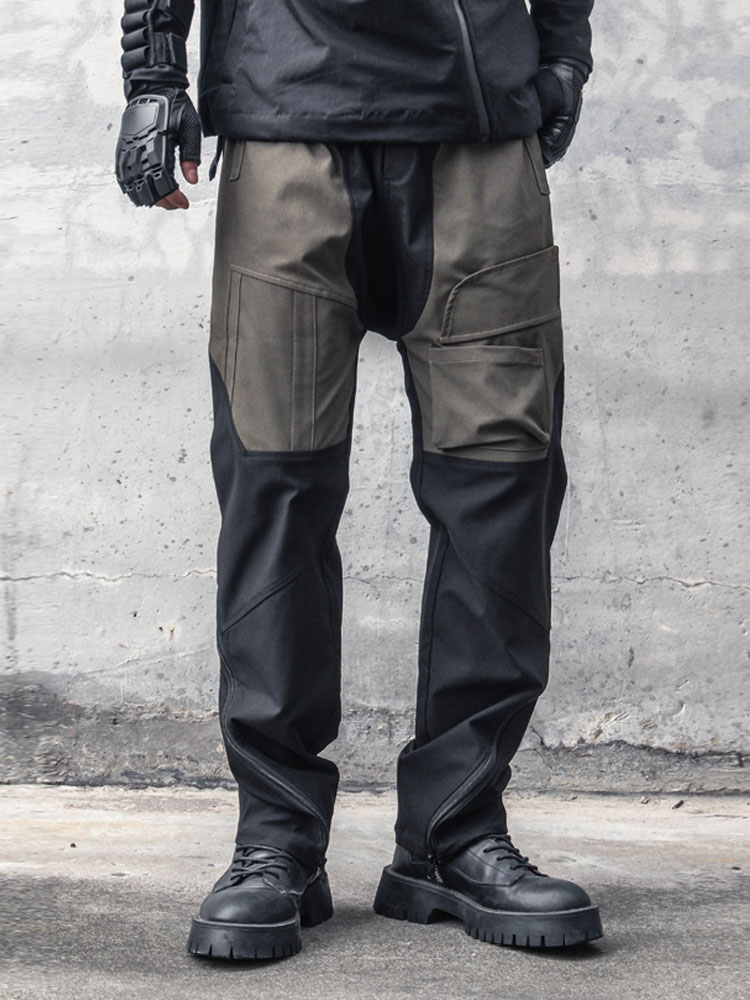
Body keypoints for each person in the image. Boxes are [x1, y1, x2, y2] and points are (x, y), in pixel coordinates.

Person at [115, 0, 602, 961]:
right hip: (286, 118)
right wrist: (153, 74)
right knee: (275, 488)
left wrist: (565, 52)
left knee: (500, 490)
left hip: (477, 127)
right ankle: (277, 840)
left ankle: (455, 833)